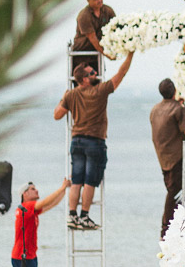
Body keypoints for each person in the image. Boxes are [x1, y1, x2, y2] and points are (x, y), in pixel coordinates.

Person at [54, 52, 134, 230]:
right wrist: (130, 55)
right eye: (91, 74)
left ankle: (72, 215)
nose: (95, 75)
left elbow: (57, 115)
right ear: (83, 79)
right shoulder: (99, 91)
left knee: (76, 181)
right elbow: (120, 74)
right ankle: (84, 216)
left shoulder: (71, 95)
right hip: (94, 141)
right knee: (90, 181)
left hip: (77, 141)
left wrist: (64, 96)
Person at [149, 78, 185, 238]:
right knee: (175, 193)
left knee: (173, 190)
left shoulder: (154, 109)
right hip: (176, 157)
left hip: (162, 156)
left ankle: (174, 226)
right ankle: (166, 230)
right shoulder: (177, 110)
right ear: (174, 91)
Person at [11, 178, 70, 267]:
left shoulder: (31, 210)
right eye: (33, 189)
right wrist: (62, 188)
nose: (36, 190)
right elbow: (45, 202)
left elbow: (52, 204)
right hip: (21, 256)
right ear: (25, 194)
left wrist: (64, 190)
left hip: (31, 255)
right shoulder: (26, 206)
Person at [72, 0, 116, 73]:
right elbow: (93, 38)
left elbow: (117, 28)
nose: (100, 1)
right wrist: (108, 54)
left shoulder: (108, 11)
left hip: (96, 54)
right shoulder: (84, 16)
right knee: (82, 84)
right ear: (88, 1)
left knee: (97, 83)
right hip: (81, 54)